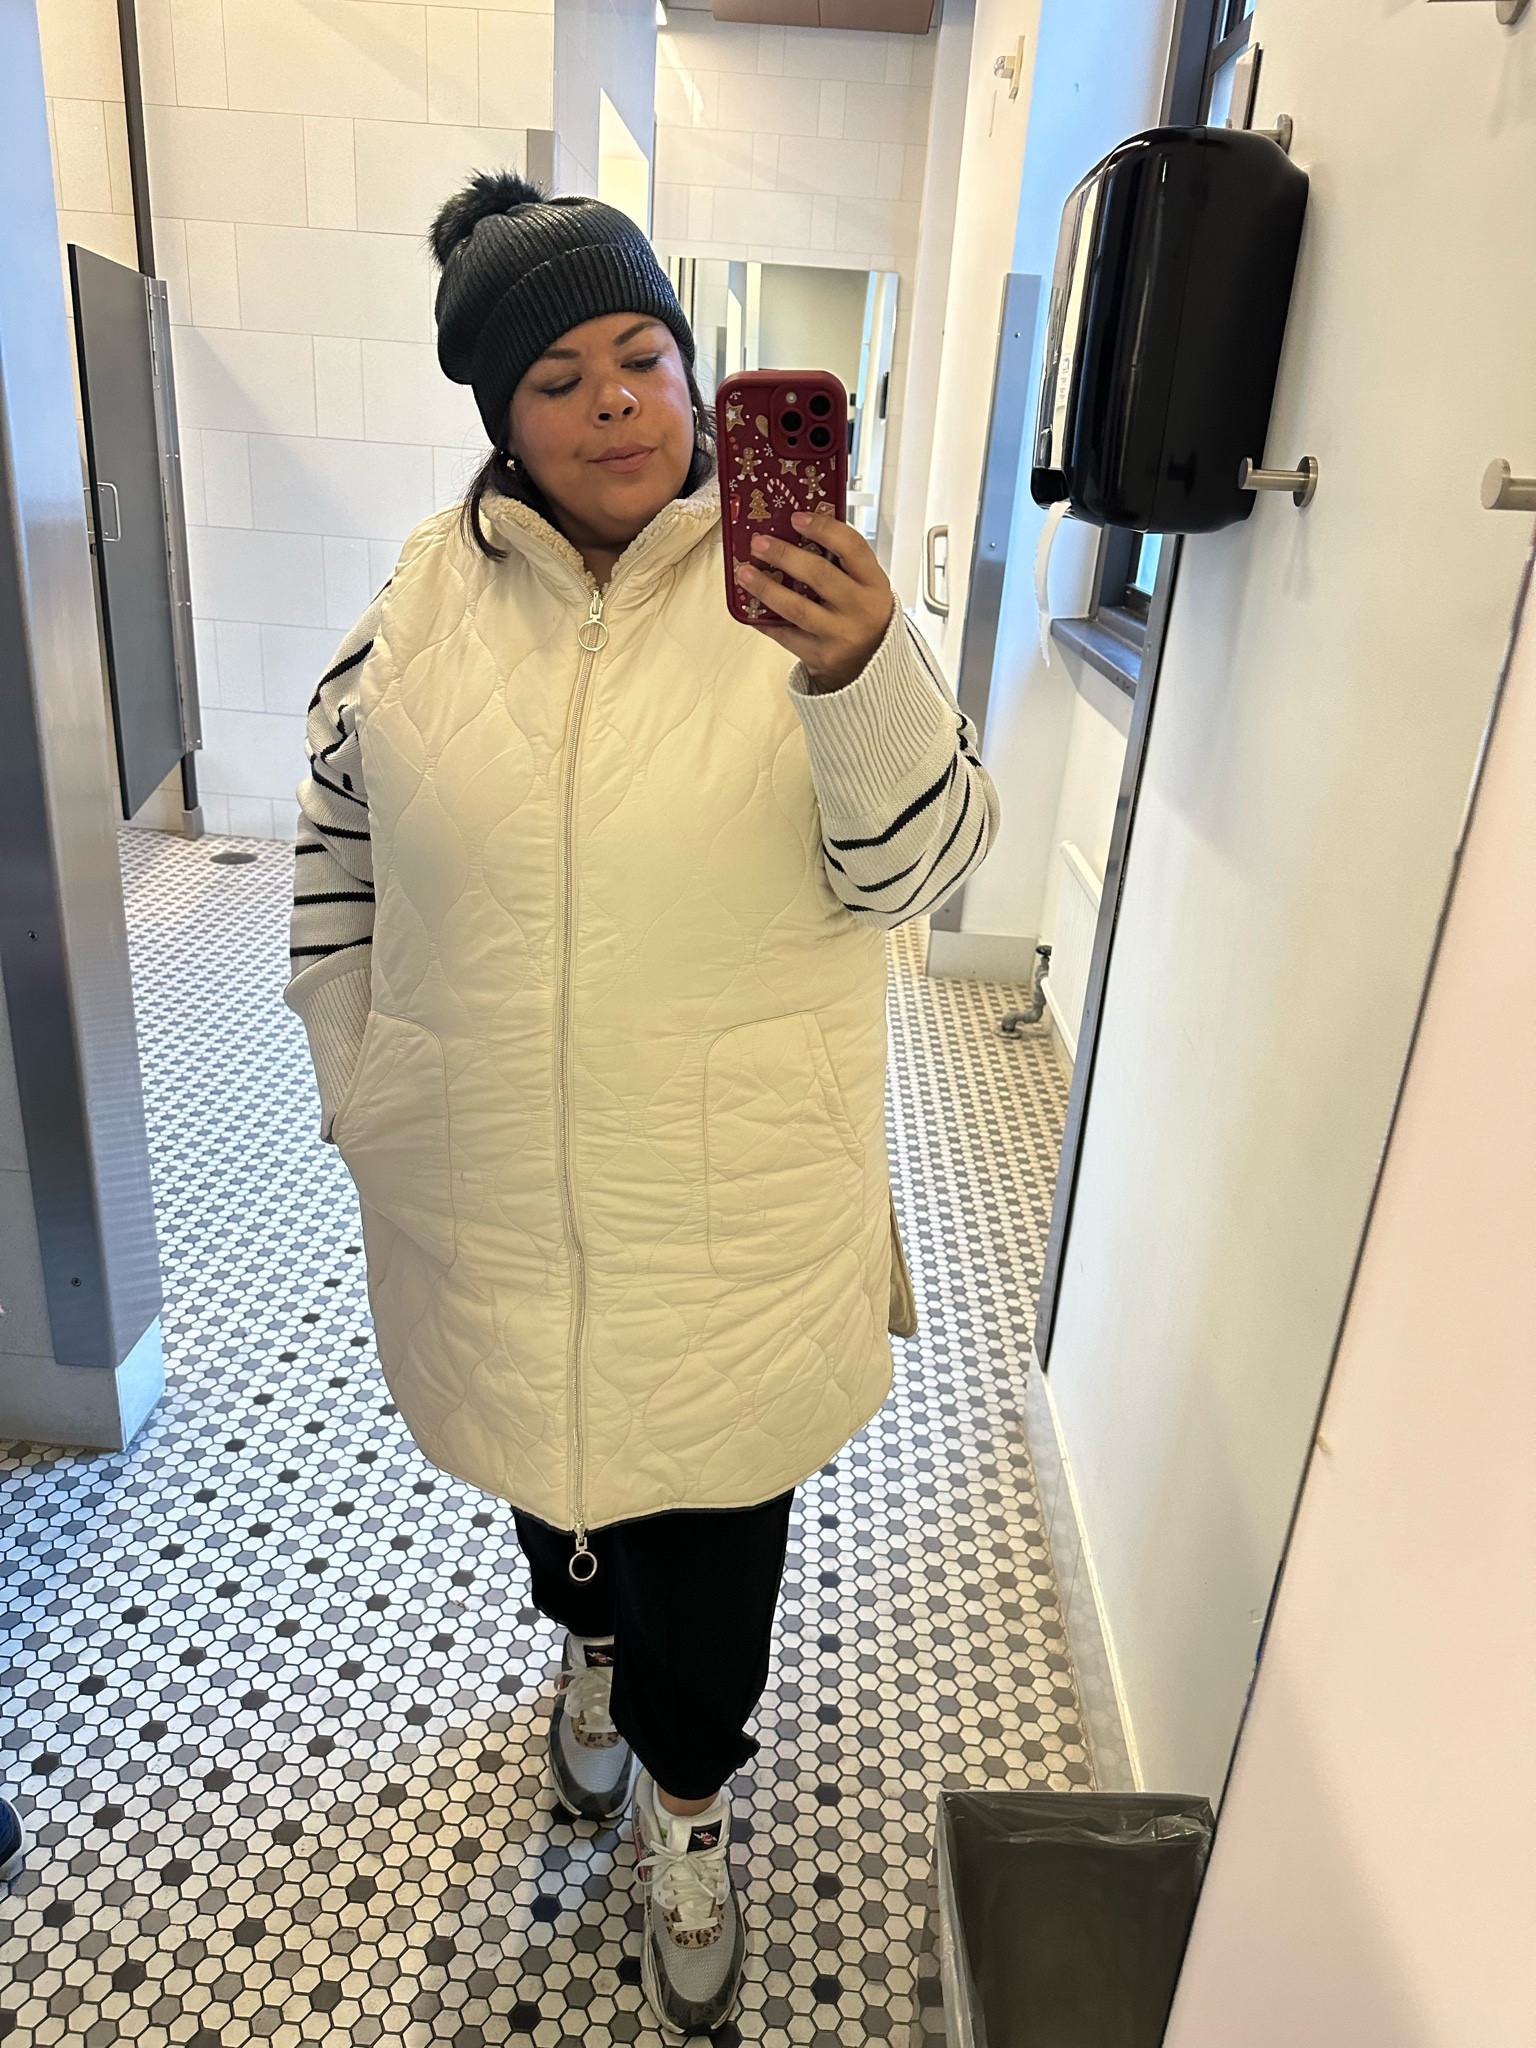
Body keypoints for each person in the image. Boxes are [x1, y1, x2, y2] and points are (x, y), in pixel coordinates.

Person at [285, 171, 998, 2037]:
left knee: (718, 1556)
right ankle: (584, 1659)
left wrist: (860, 672)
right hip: (492, 1192)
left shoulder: (807, 598)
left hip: (733, 1200)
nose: (617, 400)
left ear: (696, 371)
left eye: (645, 354)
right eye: (560, 377)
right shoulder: (415, 611)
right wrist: (362, 1076)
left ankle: (689, 1807)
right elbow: (338, 855)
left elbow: (921, 873)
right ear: (499, 418)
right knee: (559, 1505)